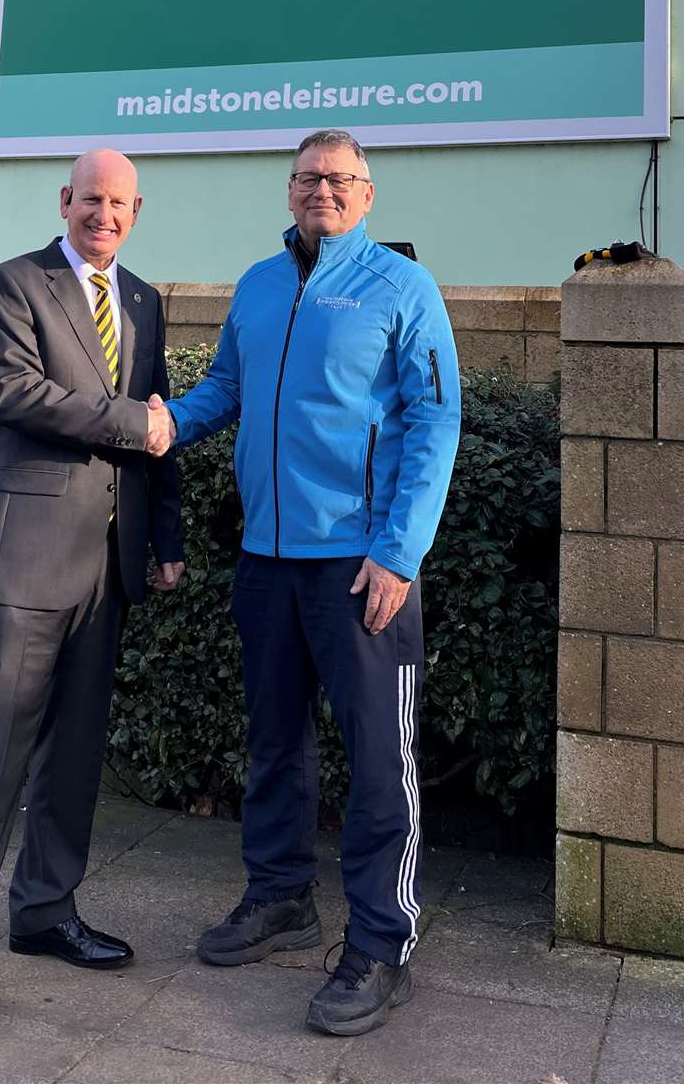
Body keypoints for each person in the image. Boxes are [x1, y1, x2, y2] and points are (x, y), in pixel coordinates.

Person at [164, 128, 460, 1036]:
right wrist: (156, 423)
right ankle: (281, 895)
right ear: (288, 190)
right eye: (307, 177)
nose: (322, 189)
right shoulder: (256, 285)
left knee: (380, 762)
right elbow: (222, 388)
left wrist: (399, 552)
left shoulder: (402, 288)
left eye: (339, 178)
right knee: (274, 742)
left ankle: (382, 941)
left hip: (361, 564)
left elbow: (435, 419)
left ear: (367, 194)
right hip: (268, 558)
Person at [0, 148, 182, 1040]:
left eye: (120, 202)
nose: (104, 214)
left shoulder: (142, 297)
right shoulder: (12, 286)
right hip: (25, 560)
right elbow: (19, 394)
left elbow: (163, 421)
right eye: (90, 198)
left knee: (74, 757)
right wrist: (130, 422)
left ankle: (44, 910)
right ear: (65, 201)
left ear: (137, 211)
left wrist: (165, 539)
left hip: (110, 565)